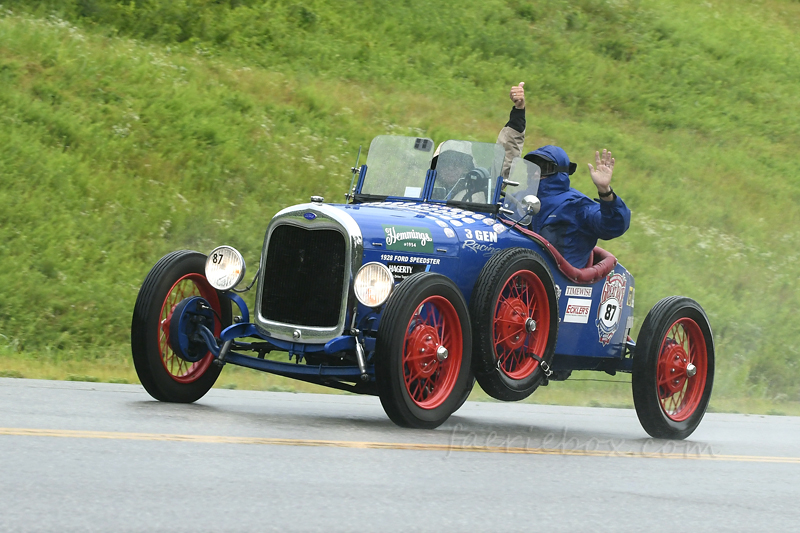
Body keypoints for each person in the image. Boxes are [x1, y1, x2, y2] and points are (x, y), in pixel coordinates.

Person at [497, 83, 631, 268]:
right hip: (511, 276)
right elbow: (506, 158)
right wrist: (519, 110)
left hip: (557, 286)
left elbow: (613, 227)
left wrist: (605, 191)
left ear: (559, 172)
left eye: (544, 167)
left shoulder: (576, 205)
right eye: (533, 166)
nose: (537, 172)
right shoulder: (517, 200)